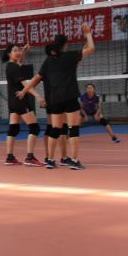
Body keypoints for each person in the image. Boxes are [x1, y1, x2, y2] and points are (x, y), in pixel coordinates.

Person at [19, 25, 96, 170]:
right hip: (70, 97)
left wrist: (24, 90)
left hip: (54, 100)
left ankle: (50, 160)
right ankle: (74, 161)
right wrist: (87, 33)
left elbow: (36, 78)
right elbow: (91, 48)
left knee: (55, 129)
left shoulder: (49, 61)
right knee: (73, 128)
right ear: (65, 45)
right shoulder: (70, 56)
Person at [2, 44, 45, 166]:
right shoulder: (14, 68)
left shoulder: (10, 66)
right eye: (15, 51)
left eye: (18, 50)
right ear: (9, 54)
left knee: (13, 129)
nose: (18, 52)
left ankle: (9, 157)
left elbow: (20, 62)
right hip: (20, 101)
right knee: (34, 128)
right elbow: (25, 84)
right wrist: (37, 96)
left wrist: (24, 51)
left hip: (12, 101)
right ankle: (30, 157)